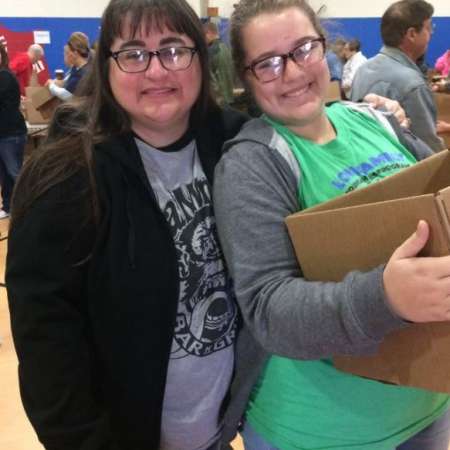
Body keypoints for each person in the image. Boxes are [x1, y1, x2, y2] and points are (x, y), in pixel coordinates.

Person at [6, 0, 248, 449]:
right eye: (134, 53)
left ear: (200, 57)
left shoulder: (235, 145)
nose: (156, 71)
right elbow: (47, 346)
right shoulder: (67, 178)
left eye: (174, 49)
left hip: (219, 429)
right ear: (107, 66)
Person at [213, 0, 450, 449]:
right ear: (246, 76)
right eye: (268, 63)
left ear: (324, 48)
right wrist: (386, 297)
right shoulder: (253, 164)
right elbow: (269, 310)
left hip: (426, 402)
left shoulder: (374, 119)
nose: (293, 72)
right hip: (322, 430)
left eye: (304, 49)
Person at [351, 0, 444, 152]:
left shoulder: (362, 69)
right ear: (412, 34)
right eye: (429, 27)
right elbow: (430, 151)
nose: (432, 33)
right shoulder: (413, 84)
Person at [0, 41, 26, 219]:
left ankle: (24, 207)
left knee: (14, 173)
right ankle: (8, 206)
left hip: (11, 134)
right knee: (6, 174)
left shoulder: (4, 76)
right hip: (4, 134)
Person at [46, 32, 91, 100]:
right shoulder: (76, 69)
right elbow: (68, 84)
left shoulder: (83, 73)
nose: (66, 55)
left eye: (68, 52)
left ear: (75, 53)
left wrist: (51, 86)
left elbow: (67, 95)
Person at [204, 21, 235, 106]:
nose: (204, 40)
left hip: (219, 101)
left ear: (208, 33)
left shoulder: (212, 52)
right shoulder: (226, 48)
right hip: (230, 96)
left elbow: (211, 80)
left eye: (204, 36)